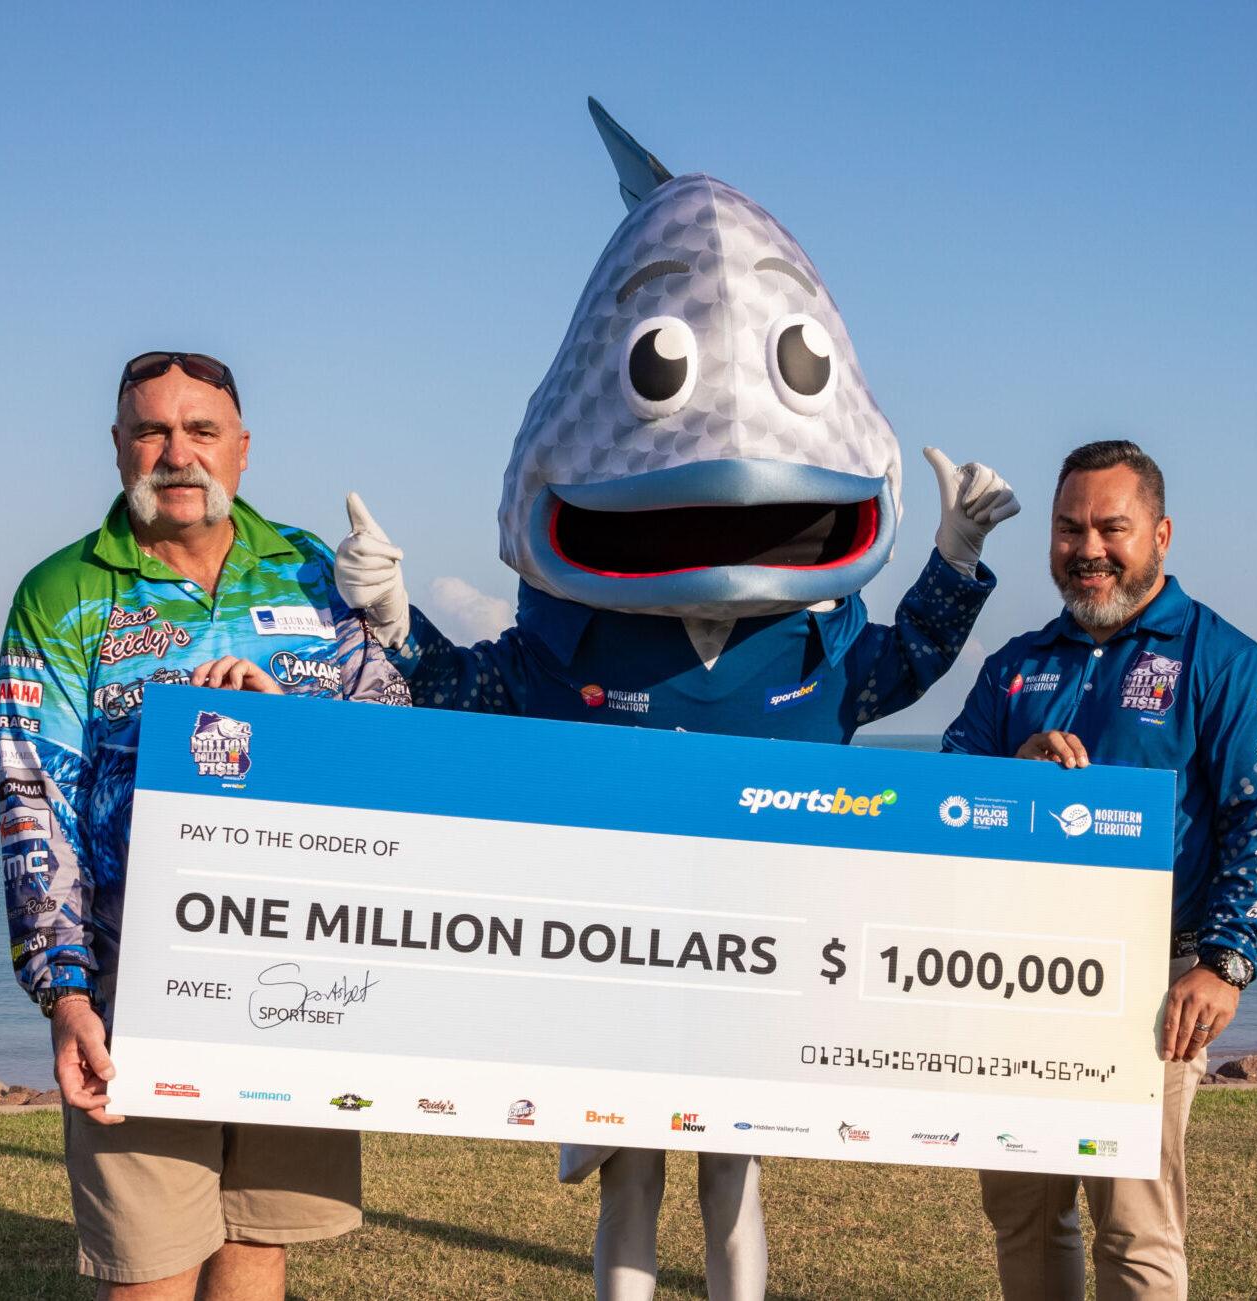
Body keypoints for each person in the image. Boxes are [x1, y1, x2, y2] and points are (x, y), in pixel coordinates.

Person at [336, 100, 1019, 1301]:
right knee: (631, 1175)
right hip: (622, 972)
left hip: (760, 968)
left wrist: (957, 555)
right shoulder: (572, 657)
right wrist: (392, 618)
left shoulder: (814, 660)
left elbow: (907, 659)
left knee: (734, 1177)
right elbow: (462, 693)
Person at [0, 350, 408, 1298]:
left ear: (242, 449)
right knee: (149, 1266)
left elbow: (393, 752)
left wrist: (290, 728)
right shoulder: (62, 596)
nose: (176, 453)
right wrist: (64, 994)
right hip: (135, 986)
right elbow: (34, 802)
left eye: (201, 431)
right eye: (151, 430)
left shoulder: (313, 571)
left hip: (304, 971)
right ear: (117, 447)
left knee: (258, 1242)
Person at [940, 439, 1257, 1301]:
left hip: (1154, 980)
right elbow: (945, 799)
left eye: (1112, 527)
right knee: (1023, 1213)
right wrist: (1009, 773)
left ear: (1161, 535)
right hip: (1017, 979)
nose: (1087, 548)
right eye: (1069, 529)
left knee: (1134, 1227)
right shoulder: (1014, 667)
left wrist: (1223, 965)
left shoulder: (1222, 659)